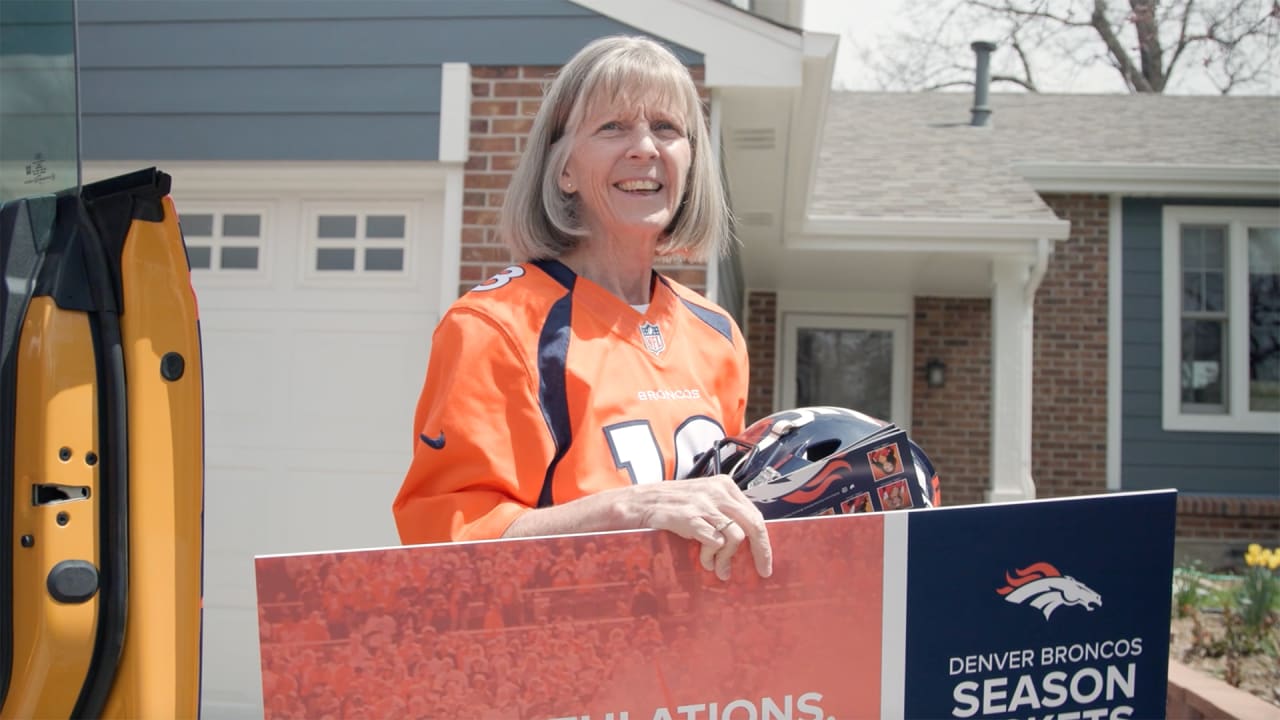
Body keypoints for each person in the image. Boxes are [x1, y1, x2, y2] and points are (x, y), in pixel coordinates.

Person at [392, 35, 771, 582]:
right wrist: (629, 510)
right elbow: (446, 548)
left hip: (686, 658)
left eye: (666, 128)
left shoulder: (718, 335)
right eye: (612, 127)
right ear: (564, 169)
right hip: (555, 658)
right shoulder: (497, 327)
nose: (645, 148)